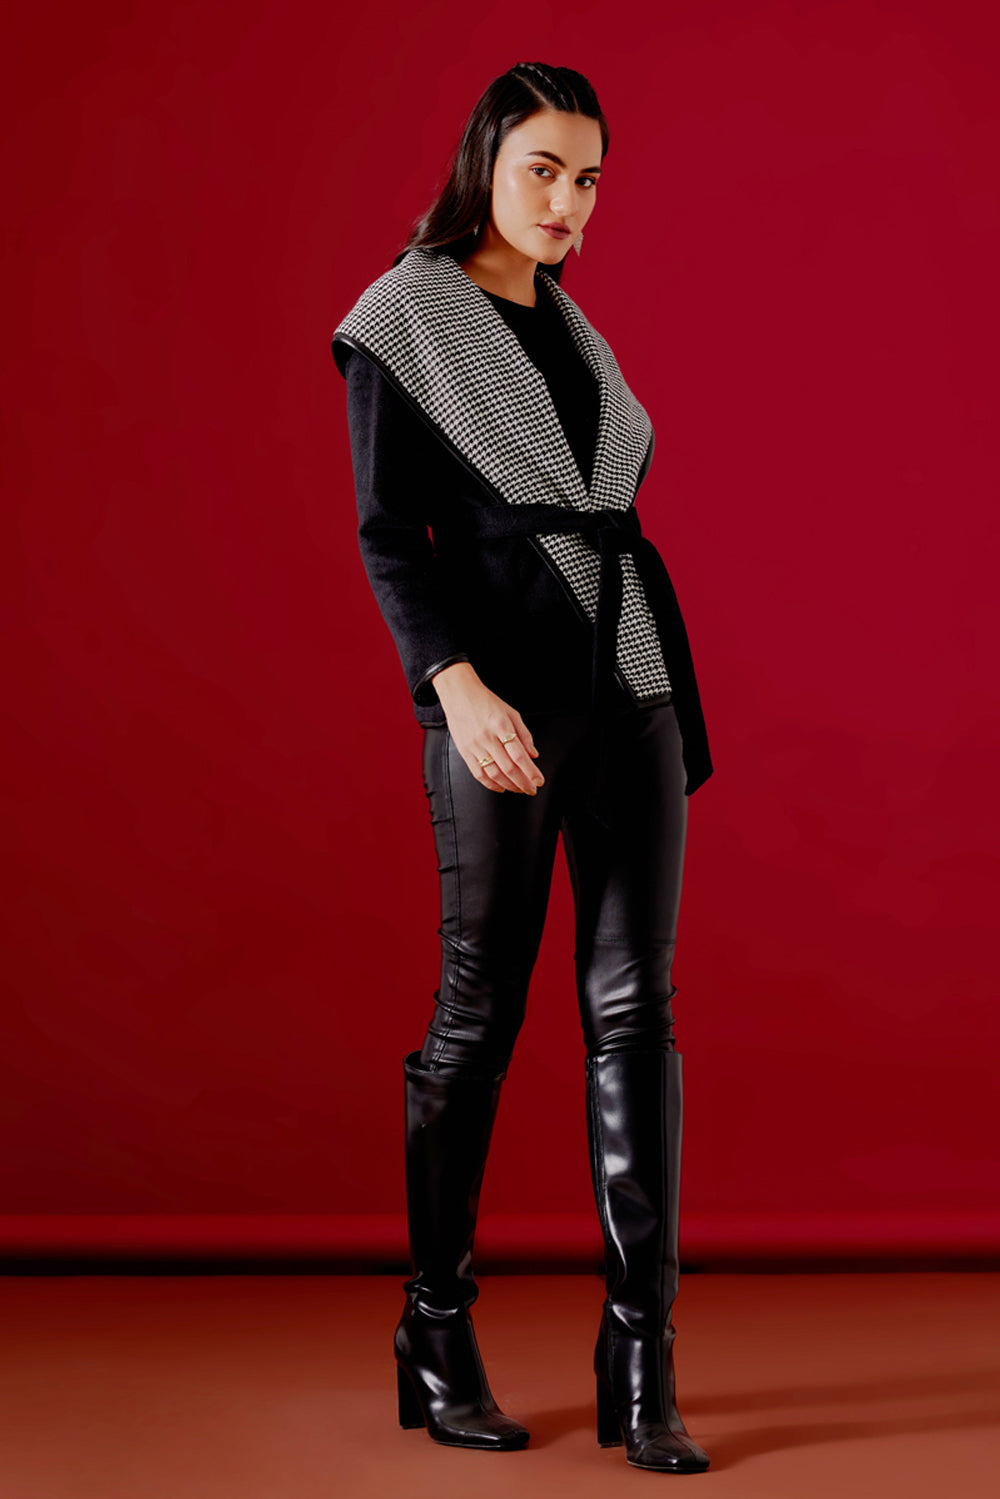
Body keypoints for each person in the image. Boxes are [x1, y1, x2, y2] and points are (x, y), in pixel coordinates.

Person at [331, 61, 713, 1475]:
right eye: (542, 169)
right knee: (478, 1014)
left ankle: (641, 1359)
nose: (566, 202)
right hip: (501, 707)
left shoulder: (572, 327)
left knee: (635, 1014)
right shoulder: (408, 315)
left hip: (634, 687)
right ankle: (435, 1328)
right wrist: (456, 685)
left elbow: (604, 513)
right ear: (485, 162)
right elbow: (389, 536)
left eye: (588, 178)